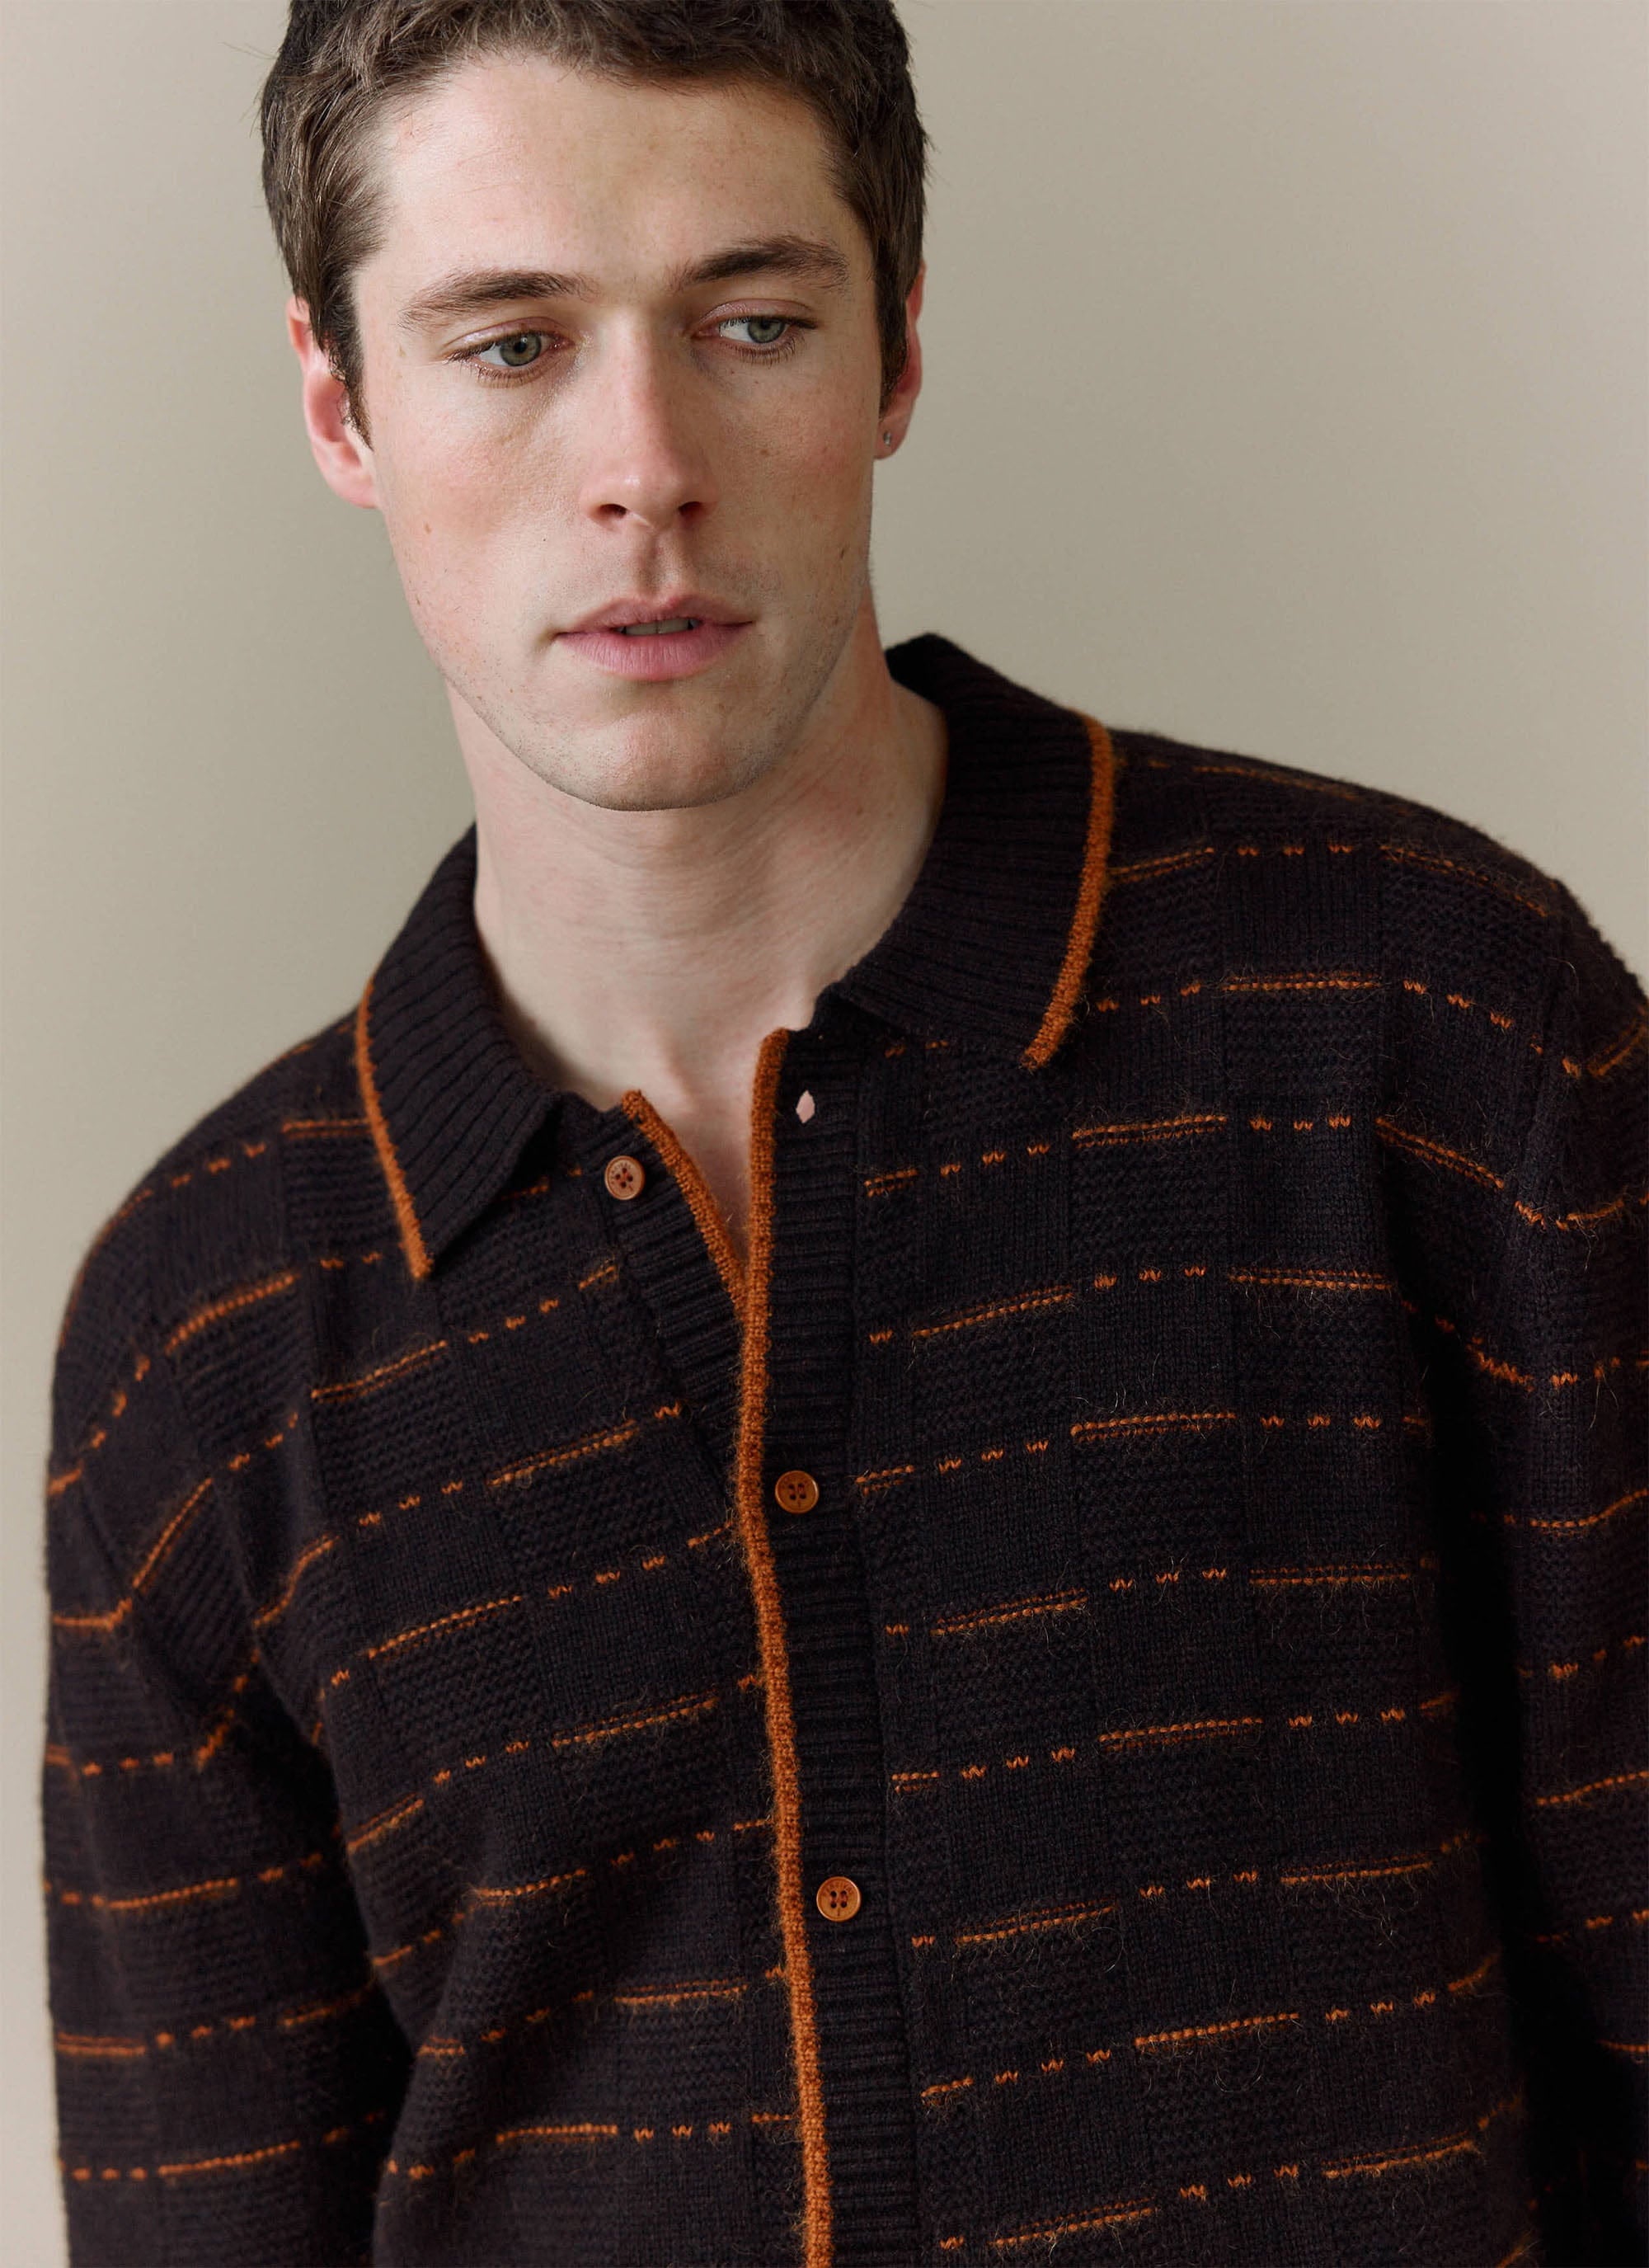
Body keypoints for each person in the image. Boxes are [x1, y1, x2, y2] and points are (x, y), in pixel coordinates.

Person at [40, 2, 1645, 2261]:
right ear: (341, 403)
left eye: (753, 321)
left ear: (894, 354)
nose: (645, 465)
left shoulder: (1449, 1038)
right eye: (508, 345)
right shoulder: (198, 1337)